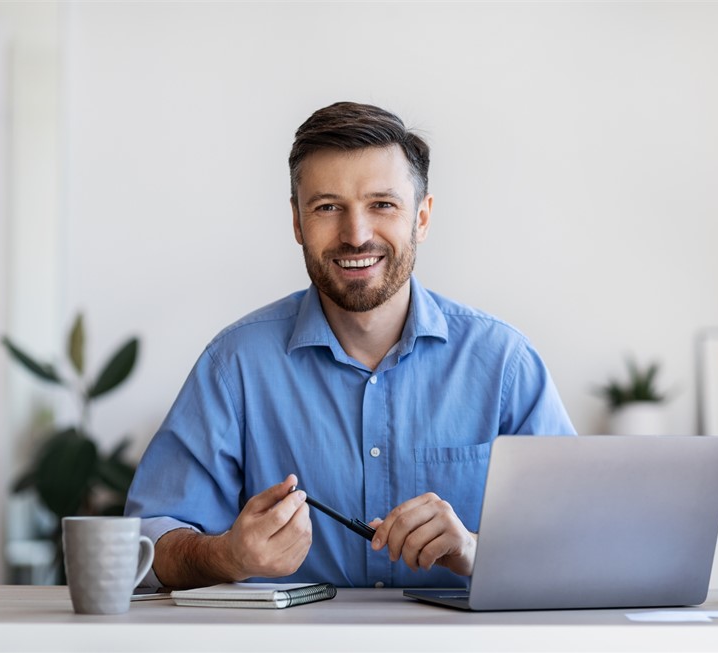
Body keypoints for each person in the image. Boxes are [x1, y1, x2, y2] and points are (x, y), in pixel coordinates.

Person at [125, 101, 575, 590]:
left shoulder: (506, 364)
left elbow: (580, 543)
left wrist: (474, 550)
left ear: (421, 218)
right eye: (327, 207)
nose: (356, 235)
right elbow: (146, 546)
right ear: (298, 224)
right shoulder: (233, 366)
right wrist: (226, 556)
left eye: (382, 204)